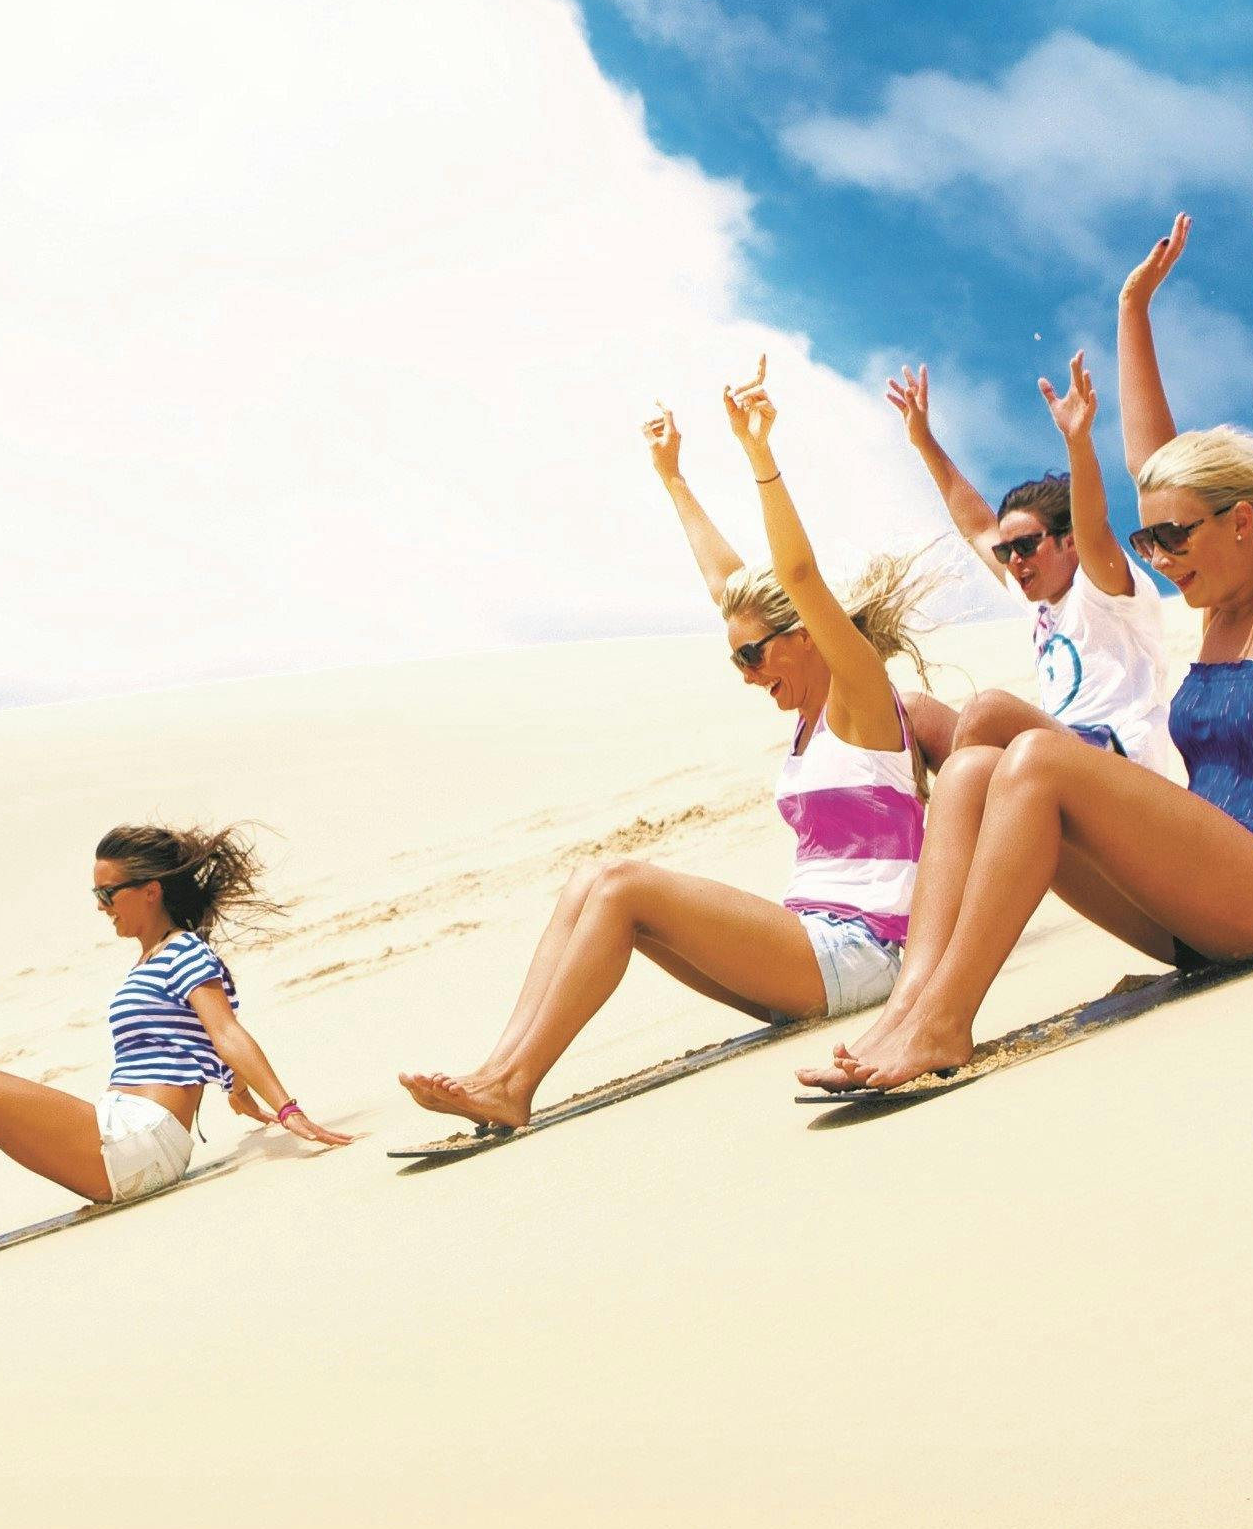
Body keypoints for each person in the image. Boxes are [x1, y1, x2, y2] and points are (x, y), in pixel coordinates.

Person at [804, 143, 1253, 1095]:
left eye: (1173, 537)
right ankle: (909, 1006)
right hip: (1195, 902)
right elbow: (1149, 462)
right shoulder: (1214, 616)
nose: (1156, 557)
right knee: (976, 762)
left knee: (1036, 761)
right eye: (1146, 538)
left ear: (1241, 521)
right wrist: (1133, 310)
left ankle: (946, 1024)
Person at [396, 365, 937, 1132]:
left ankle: (512, 1085)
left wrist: (759, 454)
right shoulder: (806, 715)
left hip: (864, 952)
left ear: (804, 636)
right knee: (592, 880)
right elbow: (731, 588)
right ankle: (495, 1070)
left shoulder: (862, 697)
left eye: (751, 656)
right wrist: (673, 477)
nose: (745, 674)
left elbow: (796, 574)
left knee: (623, 884)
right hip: (812, 947)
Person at [0, 824, 351, 1282]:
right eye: (97, 895)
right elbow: (198, 1036)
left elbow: (226, 1030)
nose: (101, 906)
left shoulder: (184, 951)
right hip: (130, 1134)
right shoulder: (155, 959)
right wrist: (237, 1092)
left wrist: (287, 1109)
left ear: (150, 891)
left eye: (108, 893)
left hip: (143, 1140)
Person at [886, 351, 1180, 777]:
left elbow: (1093, 524)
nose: (1014, 560)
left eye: (1025, 545)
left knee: (988, 711)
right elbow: (977, 527)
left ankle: (978, 810)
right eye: (1007, 552)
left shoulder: (1102, 589)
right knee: (912, 712)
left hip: (1121, 766)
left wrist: (1078, 442)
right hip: (1052, 762)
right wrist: (924, 441)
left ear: (1069, 541)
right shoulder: (1037, 602)